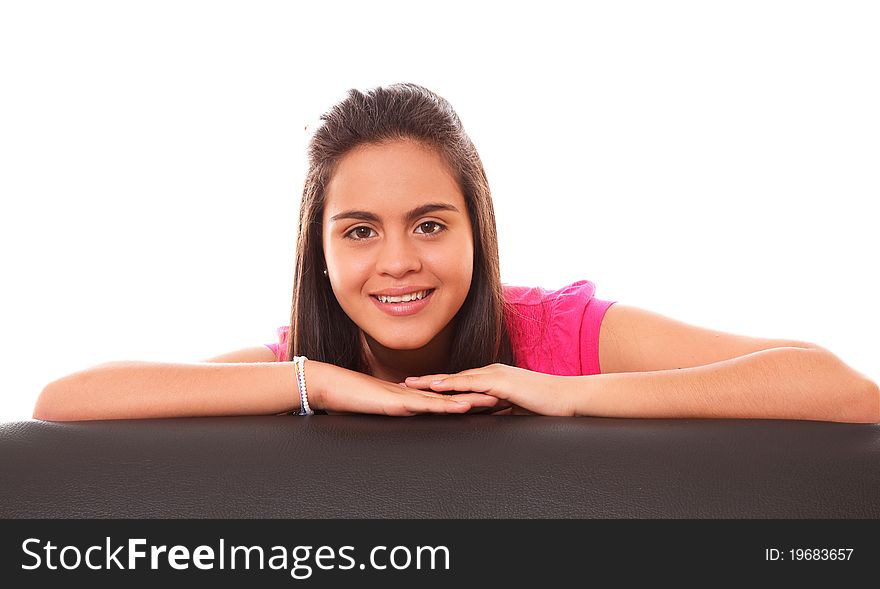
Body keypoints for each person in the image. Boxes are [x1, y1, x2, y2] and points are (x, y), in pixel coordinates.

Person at [34, 83, 879, 423]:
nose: (398, 260)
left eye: (431, 224)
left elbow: (844, 390)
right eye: (359, 230)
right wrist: (322, 380)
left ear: (478, 232)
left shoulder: (561, 331)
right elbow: (63, 403)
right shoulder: (301, 359)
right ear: (320, 251)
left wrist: (563, 392)